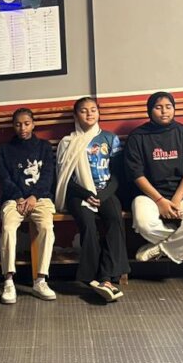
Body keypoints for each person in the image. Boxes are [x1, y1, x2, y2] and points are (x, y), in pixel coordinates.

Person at [123, 92, 183, 265]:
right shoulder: (137, 137)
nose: (164, 111)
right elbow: (136, 174)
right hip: (148, 195)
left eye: (168, 107)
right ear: (150, 110)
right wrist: (160, 201)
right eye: (158, 107)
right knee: (144, 224)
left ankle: (161, 249)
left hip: (182, 193)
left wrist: (176, 199)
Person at [55, 96, 129, 301]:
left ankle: (107, 277)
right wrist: (86, 194)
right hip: (78, 194)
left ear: (98, 113)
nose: (89, 114)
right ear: (75, 116)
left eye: (93, 110)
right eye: (83, 110)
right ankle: (92, 277)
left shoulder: (110, 139)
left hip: (106, 192)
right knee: (88, 224)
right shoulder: (67, 143)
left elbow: (117, 175)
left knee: (115, 220)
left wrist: (102, 195)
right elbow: (64, 179)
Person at [0, 107, 57, 304]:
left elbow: (48, 175)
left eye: (26, 124)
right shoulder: (5, 149)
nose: (22, 128)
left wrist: (33, 197)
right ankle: (8, 281)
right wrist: (18, 198)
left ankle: (41, 280)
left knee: (47, 227)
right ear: (13, 126)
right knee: (8, 228)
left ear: (33, 124)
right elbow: (4, 178)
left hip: (40, 198)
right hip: (14, 200)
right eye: (18, 124)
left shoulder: (44, 146)